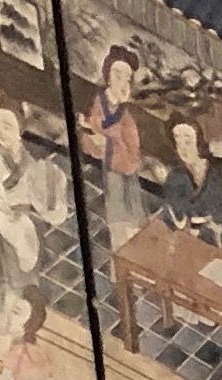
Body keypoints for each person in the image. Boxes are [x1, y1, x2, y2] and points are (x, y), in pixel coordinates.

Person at [0, 100, 67, 334]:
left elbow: (37, 186)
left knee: (28, 278)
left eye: (8, 125)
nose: (2, 132)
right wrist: (29, 197)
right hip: (7, 226)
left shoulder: (26, 157)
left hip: (27, 226)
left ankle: (24, 322)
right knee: (9, 279)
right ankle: (2, 324)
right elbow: (7, 198)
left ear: (20, 126)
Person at [77, 48, 148, 244]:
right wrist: (105, 140)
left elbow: (132, 157)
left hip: (125, 175)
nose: (122, 81)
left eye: (127, 77)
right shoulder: (97, 104)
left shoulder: (126, 117)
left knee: (134, 227)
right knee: (119, 228)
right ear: (107, 75)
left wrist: (108, 141)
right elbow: (91, 135)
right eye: (117, 74)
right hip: (105, 173)